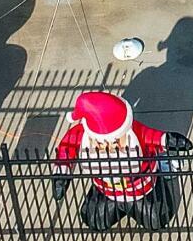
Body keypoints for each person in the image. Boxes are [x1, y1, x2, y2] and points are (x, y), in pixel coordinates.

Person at [53, 89, 172, 227]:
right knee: (94, 220)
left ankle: (159, 179)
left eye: (114, 141)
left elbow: (152, 137)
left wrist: (168, 140)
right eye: (99, 142)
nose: (107, 147)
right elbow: (67, 148)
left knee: (156, 220)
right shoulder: (82, 134)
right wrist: (61, 174)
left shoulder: (134, 133)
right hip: (106, 191)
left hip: (142, 192)